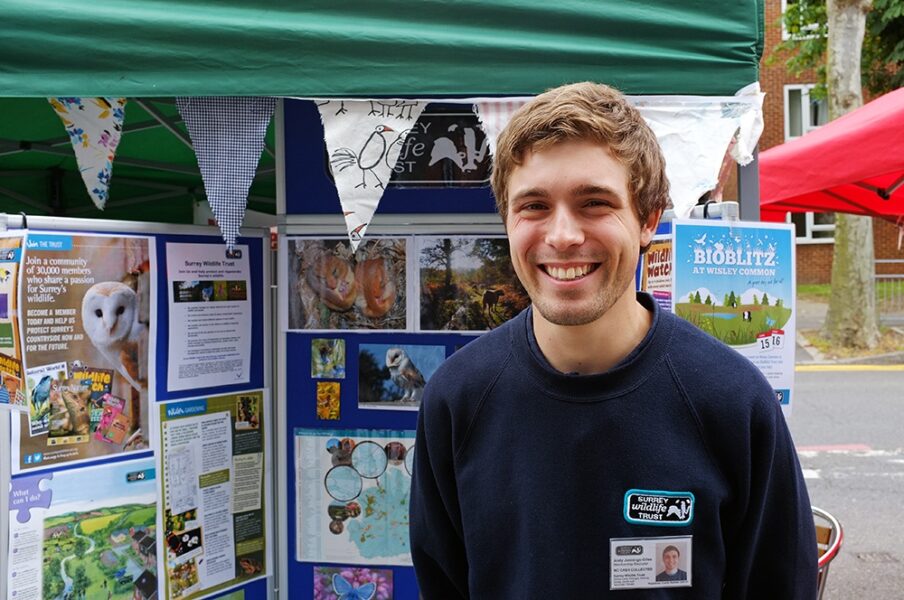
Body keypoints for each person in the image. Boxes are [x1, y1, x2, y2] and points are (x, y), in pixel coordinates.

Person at [408, 82, 817, 598]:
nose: (562, 236)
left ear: (647, 219)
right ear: (507, 221)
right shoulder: (456, 399)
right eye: (533, 206)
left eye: (594, 203)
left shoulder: (732, 401)